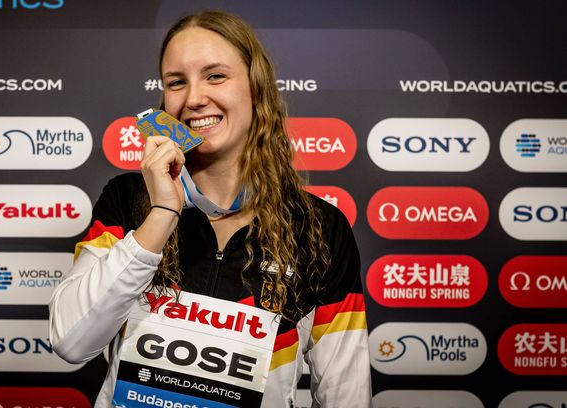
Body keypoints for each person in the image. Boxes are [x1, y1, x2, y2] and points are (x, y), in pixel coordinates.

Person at [49, 9, 371, 408]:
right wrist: (161, 213)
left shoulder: (319, 226)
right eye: (176, 82)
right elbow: (71, 342)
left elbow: (346, 393)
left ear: (256, 89)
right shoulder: (126, 198)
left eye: (215, 76)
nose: (194, 98)